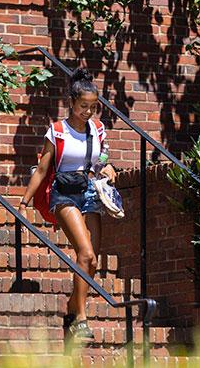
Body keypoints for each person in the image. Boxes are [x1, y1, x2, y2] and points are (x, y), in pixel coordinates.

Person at [18, 68, 117, 342]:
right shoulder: (58, 131)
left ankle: (73, 304)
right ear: (72, 103)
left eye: (92, 107)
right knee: (84, 253)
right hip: (63, 193)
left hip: (90, 192)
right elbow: (41, 169)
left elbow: (101, 161)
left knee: (93, 261)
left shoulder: (98, 129)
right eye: (83, 106)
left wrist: (109, 168)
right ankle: (80, 320)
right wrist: (24, 202)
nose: (88, 112)